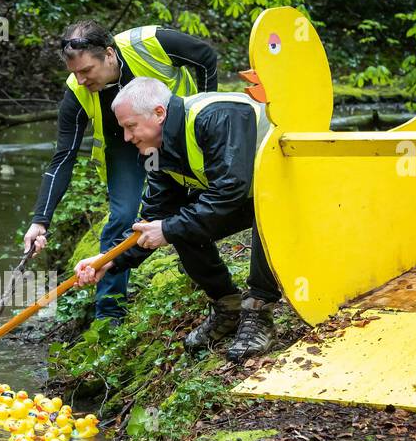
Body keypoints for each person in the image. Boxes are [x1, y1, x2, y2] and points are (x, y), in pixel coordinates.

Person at [75, 76, 280, 362]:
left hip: (294, 187)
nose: (126, 137)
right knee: (176, 223)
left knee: (264, 211)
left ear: (159, 113)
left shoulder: (216, 117)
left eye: (130, 126)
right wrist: (109, 259)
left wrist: (168, 228)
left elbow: (229, 191)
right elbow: (157, 213)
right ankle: (228, 306)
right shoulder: (155, 149)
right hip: (249, 193)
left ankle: (259, 311)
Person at [25, 22, 217, 322]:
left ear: (110, 55)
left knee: (189, 203)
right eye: (74, 72)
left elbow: (205, 56)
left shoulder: (150, 43)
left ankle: (202, 274)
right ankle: (109, 315)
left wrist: (206, 113)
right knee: (123, 216)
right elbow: (64, 156)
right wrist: (41, 221)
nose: (80, 79)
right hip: (123, 147)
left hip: (175, 131)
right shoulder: (77, 90)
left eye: (87, 70)